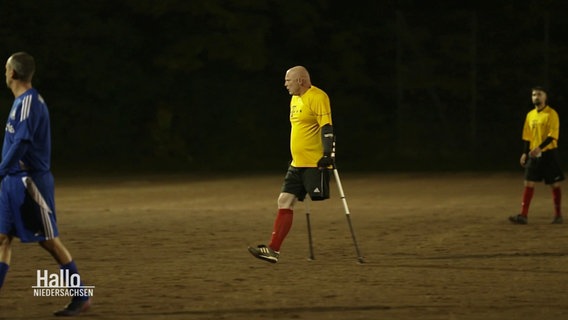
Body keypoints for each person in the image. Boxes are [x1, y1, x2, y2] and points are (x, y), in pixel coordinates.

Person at [0, 52, 91, 316]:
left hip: (29, 183)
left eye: (6, 69)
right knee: (2, 238)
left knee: (49, 241)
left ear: (13, 73)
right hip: (12, 180)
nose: (4, 73)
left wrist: (2, 170)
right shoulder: (21, 102)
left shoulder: (29, 102)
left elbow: (22, 143)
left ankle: (81, 295)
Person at [248, 66, 334, 263]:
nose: (285, 84)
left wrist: (328, 154)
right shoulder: (294, 99)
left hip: (315, 163)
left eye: (288, 81)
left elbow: (327, 127)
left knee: (318, 197)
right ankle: (273, 250)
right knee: (284, 201)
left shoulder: (319, 97)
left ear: (301, 81)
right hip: (296, 163)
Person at [509, 86, 564, 225]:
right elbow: (527, 136)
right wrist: (524, 152)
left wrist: (539, 147)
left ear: (545, 97)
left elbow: (553, 136)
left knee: (554, 184)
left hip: (549, 154)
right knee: (528, 182)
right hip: (534, 154)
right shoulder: (530, 115)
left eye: (539, 94)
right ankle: (523, 215)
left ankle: (558, 215)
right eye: (534, 94)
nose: (536, 97)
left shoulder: (552, 114)